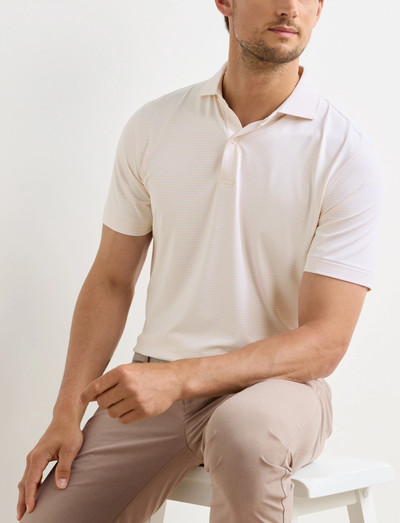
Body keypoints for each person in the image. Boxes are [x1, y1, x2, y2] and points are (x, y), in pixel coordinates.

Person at [16, 0, 384, 521]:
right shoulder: (155, 126)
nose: (289, 7)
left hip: (277, 392)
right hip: (154, 387)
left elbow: (325, 341)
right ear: (225, 2)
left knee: (244, 432)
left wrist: (181, 378)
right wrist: (66, 412)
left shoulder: (346, 153)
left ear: (320, 10)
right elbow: (111, 280)